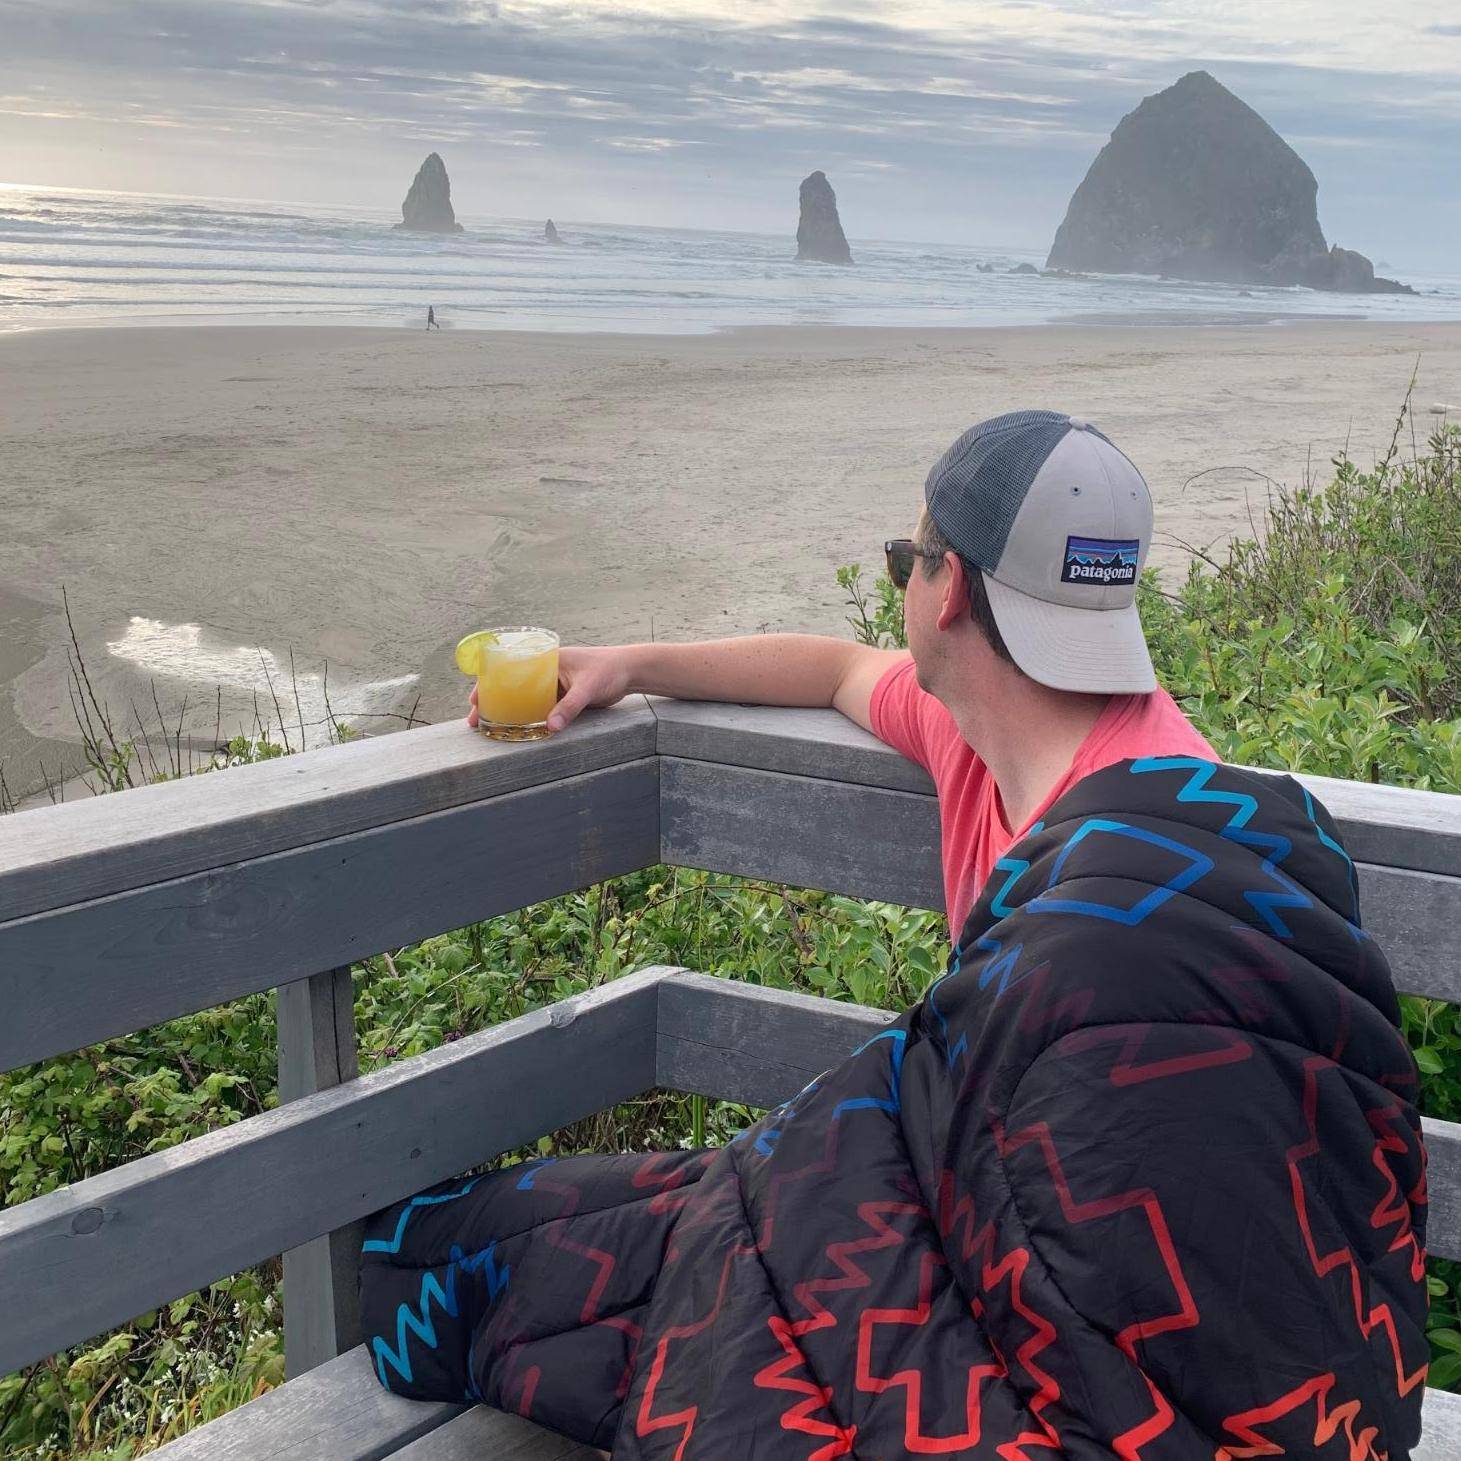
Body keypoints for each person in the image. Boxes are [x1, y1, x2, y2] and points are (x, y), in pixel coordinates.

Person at [366, 411, 1427, 1457]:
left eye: (903, 560)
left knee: (667, 1292)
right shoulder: (978, 727)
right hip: (1016, 1241)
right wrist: (629, 664)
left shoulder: (1147, 828)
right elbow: (831, 668)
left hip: (1172, 1315)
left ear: (949, 587)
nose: (898, 590)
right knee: (548, 1231)